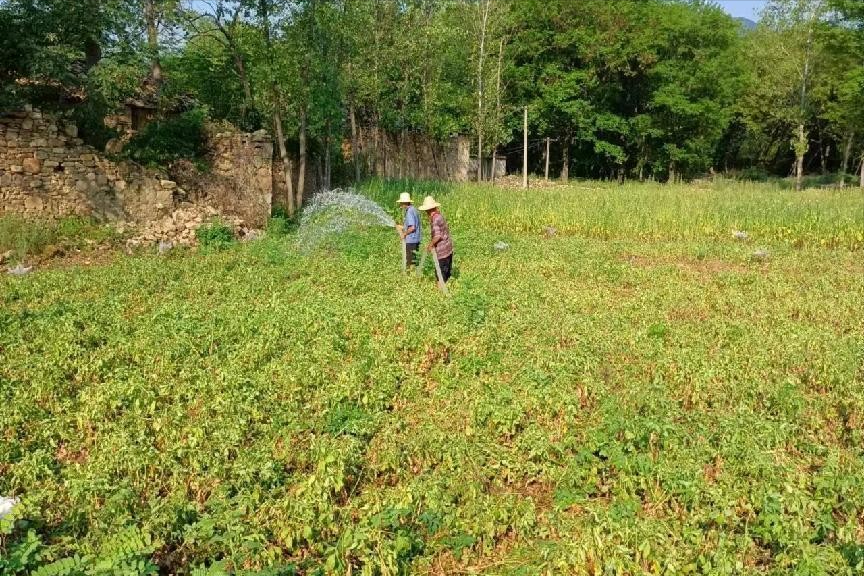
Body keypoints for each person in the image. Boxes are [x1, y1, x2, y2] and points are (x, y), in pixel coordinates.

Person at [418, 195, 454, 283]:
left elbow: (437, 236)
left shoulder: (434, 219)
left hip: (442, 251)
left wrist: (430, 245)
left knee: (440, 276)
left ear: (428, 210)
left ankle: (440, 294)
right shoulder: (439, 216)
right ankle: (446, 287)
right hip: (448, 248)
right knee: (446, 273)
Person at [396, 192, 422, 268]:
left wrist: (404, 234)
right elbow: (412, 225)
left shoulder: (409, 212)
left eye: (401, 202)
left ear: (405, 202)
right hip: (416, 239)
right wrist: (400, 226)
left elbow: (412, 227)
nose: (400, 204)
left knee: (410, 262)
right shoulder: (413, 209)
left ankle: (410, 277)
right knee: (414, 260)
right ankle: (414, 276)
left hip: (411, 241)